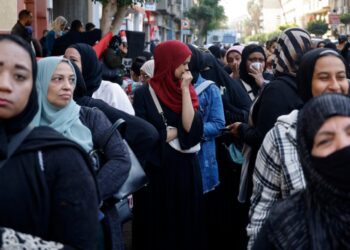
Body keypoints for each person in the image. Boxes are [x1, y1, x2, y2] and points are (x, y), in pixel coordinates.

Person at [0, 34, 98, 249]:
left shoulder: (61, 156)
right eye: (57, 79)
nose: (4, 84)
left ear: (32, 86)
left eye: (19, 76)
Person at [247, 48, 350, 248]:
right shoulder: (281, 136)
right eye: (323, 77)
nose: (335, 86)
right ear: (305, 82)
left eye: (341, 76)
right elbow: (261, 212)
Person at [35, 56, 131, 250]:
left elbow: (121, 159)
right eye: (57, 79)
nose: (67, 86)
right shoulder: (25, 126)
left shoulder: (89, 117)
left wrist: (87, 196)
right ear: (39, 82)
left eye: (71, 79)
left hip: (92, 222)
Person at [133, 40, 205, 250]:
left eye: (188, 64)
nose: (187, 69)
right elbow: (144, 135)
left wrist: (184, 90)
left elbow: (192, 130)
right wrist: (169, 132)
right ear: (168, 62)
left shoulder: (188, 91)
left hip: (185, 171)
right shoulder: (143, 94)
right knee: (160, 228)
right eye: (183, 64)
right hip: (158, 173)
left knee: (185, 227)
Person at [64, 43, 135, 115]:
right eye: (65, 59)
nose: (66, 64)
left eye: (73, 60)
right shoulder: (63, 91)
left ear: (87, 63)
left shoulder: (110, 90)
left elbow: (129, 122)